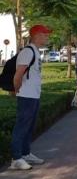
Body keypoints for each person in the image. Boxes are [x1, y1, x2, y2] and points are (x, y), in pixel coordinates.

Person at [9, 24, 51, 170]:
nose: (47, 37)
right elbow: (18, 74)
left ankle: (26, 153)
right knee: (22, 126)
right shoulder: (28, 52)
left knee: (29, 126)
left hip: (33, 95)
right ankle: (16, 158)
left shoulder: (36, 51)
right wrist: (17, 90)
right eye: (45, 35)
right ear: (37, 35)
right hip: (26, 95)